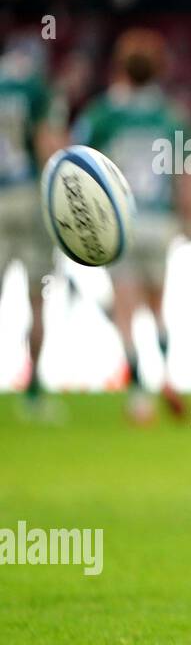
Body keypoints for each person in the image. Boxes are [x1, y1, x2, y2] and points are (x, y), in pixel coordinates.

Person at [73, 29, 191, 424]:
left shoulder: (101, 115)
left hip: (118, 222)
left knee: (125, 307)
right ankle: (168, 376)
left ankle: (138, 397)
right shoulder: (171, 114)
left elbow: (75, 168)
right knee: (158, 304)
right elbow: (189, 170)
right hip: (159, 220)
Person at [0, 39, 66, 421]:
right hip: (28, 195)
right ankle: (33, 390)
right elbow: (47, 144)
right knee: (36, 297)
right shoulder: (38, 89)